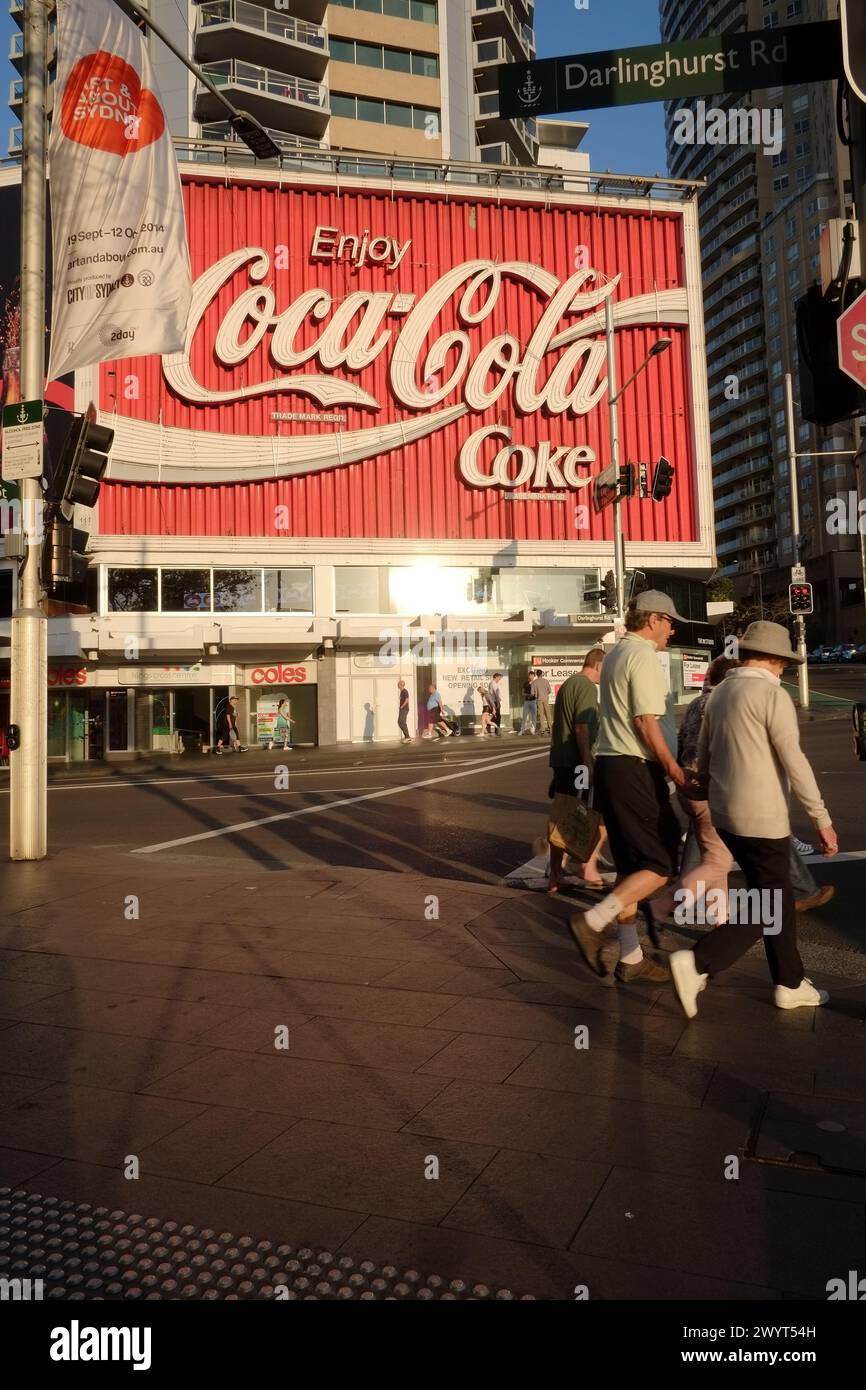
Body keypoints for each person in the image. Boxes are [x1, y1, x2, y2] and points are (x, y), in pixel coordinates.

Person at [669, 621, 838, 1019]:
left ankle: (790, 982)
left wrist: (704, 787)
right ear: (776, 659)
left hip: (725, 814)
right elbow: (793, 760)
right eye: (784, 663)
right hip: (762, 817)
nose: (784, 670)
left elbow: (706, 752)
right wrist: (821, 818)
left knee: (771, 895)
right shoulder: (771, 695)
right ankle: (698, 962)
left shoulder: (721, 692)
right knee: (771, 905)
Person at [568, 591, 698, 984]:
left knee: (631, 869)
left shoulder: (615, 654)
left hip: (613, 767)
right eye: (669, 621)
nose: (672, 629)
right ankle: (592, 922)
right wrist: (674, 770)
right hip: (634, 768)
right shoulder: (641, 655)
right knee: (661, 864)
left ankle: (630, 956)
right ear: (653, 619)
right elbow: (645, 720)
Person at [645, 654, 738, 933]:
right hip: (708, 787)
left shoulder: (696, 702)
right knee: (719, 860)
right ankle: (661, 906)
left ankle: (721, 919)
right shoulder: (724, 703)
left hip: (687, 785)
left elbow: (683, 738)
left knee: (715, 855)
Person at [547, 648, 608, 893]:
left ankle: (555, 873)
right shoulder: (585, 687)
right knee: (593, 814)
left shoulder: (569, 683)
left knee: (563, 814)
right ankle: (586, 865)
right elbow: (582, 727)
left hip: (562, 760)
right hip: (576, 762)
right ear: (598, 665)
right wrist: (587, 762)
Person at [535, 669, 553, 736]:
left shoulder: (534, 682)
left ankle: (542, 729)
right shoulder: (546, 681)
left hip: (539, 699)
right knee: (548, 713)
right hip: (545, 699)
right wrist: (545, 695)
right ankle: (551, 729)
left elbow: (532, 693)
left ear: (536, 674)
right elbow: (550, 690)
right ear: (542, 674)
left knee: (541, 714)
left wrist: (537, 695)